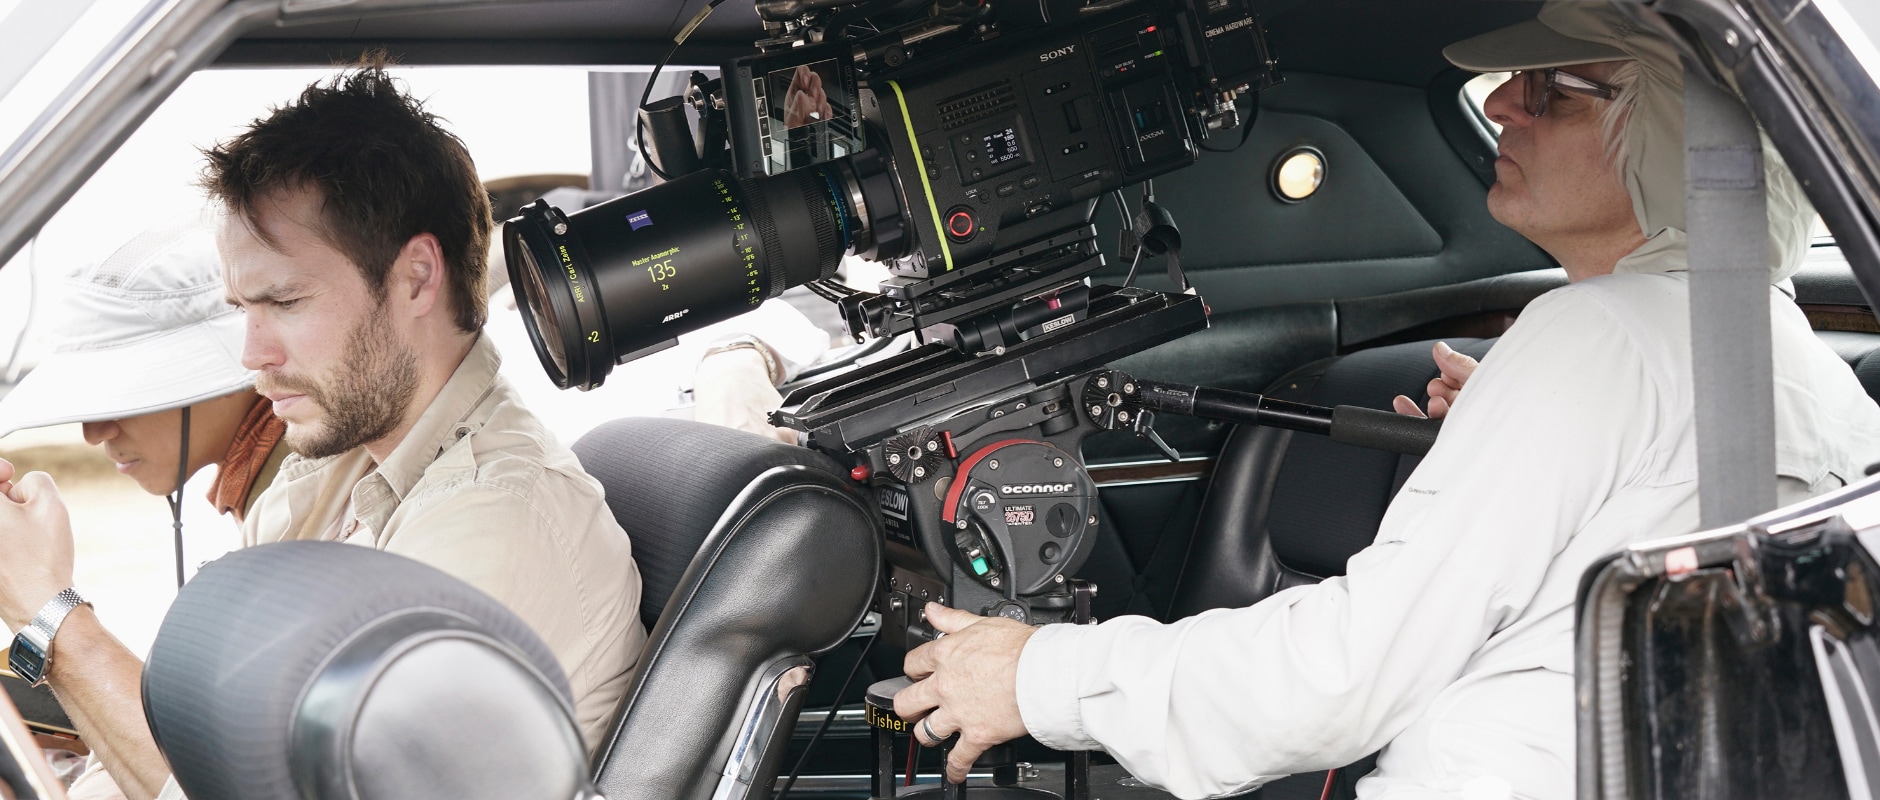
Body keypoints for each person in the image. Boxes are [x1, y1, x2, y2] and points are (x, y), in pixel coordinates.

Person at [889, 3, 1880, 798]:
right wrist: (1516, 423)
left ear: (1666, 134)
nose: (1501, 108)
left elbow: (1343, 673)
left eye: (1551, 90)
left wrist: (1037, 675)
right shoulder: (1788, 365)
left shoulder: (1600, 342)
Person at [0, 62, 646, 800]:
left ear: (415, 278)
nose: (251, 355)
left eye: (285, 301)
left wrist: (49, 614)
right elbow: (201, 730)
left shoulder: (492, 527)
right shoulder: (341, 465)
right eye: (243, 308)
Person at [0, 218, 286, 533]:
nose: (94, 434)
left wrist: (39, 575)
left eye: (120, 398)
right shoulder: (271, 485)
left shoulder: (299, 500)